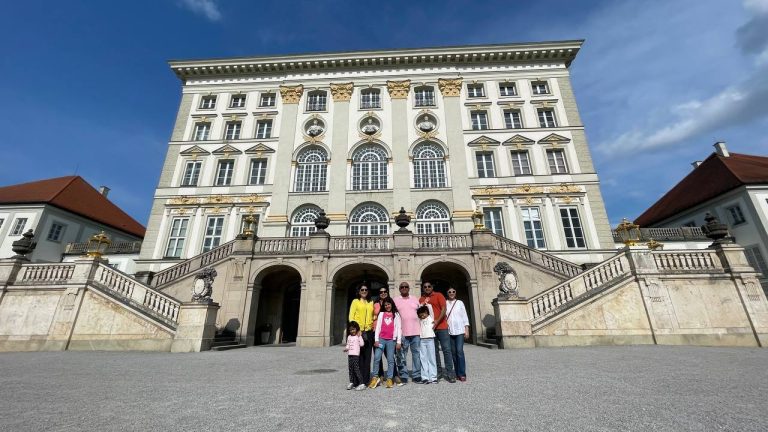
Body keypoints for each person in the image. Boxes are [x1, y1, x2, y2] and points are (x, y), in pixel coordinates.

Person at [420, 281, 456, 383]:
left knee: (446, 350)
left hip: (442, 326)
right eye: (425, 287)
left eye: (429, 286)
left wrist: (437, 321)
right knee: (434, 351)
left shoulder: (439, 295)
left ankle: (450, 373)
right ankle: (438, 372)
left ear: (432, 287)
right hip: (430, 329)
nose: (427, 288)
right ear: (423, 288)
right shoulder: (421, 299)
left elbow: (443, 309)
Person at [393, 281, 421, 385]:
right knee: (401, 355)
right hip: (402, 332)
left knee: (416, 355)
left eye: (406, 287)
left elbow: (422, 312)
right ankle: (403, 375)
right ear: (399, 289)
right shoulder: (395, 300)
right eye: (402, 287)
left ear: (409, 288)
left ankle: (417, 375)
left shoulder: (415, 299)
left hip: (416, 331)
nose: (404, 288)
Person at [370, 287, 398, 387]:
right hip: (381, 338)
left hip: (391, 339)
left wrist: (398, 341)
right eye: (381, 292)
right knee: (377, 357)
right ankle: (376, 377)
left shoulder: (396, 314)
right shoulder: (379, 309)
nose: (383, 293)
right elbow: (377, 326)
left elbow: (398, 328)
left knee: (390, 358)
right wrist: (376, 339)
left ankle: (391, 377)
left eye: (385, 292)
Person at [348, 285, 374, 384]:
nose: (364, 291)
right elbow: (351, 317)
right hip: (358, 332)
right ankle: (356, 380)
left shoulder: (371, 302)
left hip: (368, 332)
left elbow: (373, 315)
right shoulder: (355, 301)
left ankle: (365, 380)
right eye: (362, 290)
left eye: (366, 290)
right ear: (359, 291)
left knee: (367, 357)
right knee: (357, 356)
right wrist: (356, 329)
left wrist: (373, 321)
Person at [446, 288, 470, 382]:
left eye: (453, 291)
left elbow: (464, 315)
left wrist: (466, 329)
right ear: (447, 293)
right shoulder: (445, 302)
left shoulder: (460, 302)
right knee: (453, 352)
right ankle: (456, 373)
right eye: (450, 292)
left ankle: (462, 373)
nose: (451, 293)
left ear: (455, 293)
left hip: (460, 330)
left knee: (459, 351)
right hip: (449, 331)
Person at [417, 305, 437, 384]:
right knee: (423, 358)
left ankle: (433, 377)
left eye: (424, 313)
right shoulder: (420, 320)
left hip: (430, 339)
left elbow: (430, 309)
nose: (423, 315)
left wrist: (424, 304)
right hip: (422, 340)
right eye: (421, 314)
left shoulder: (430, 318)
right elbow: (417, 313)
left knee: (431, 358)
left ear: (427, 313)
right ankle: (425, 377)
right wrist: (420, 307)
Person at [343, 321, 367, 391]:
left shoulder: (357, 336)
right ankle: (351, 382)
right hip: (350, 355)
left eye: (353, 329)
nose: (352, 331)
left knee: (356, 369)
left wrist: (360, 337)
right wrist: (346, 349)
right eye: (350, 330)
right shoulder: (349, 337)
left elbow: (362, 344)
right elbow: (348, 344)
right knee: (350, 369)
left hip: (356, 355)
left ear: (356, 329)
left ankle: (362, 383)